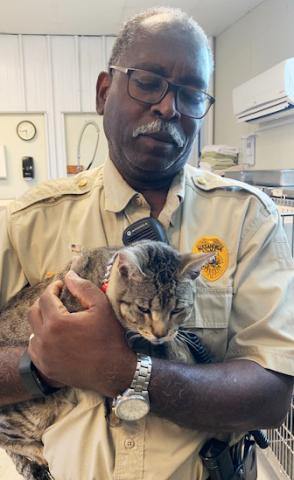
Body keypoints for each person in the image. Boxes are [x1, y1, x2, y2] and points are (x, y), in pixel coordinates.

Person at [0, 6, 293, 480]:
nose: (168, 106)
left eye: (191, 93)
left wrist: (125, 371)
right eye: (148, 81)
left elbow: (272, 397)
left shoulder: (248, 219)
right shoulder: (26, 221)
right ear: (103, 92)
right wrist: (44, 365)